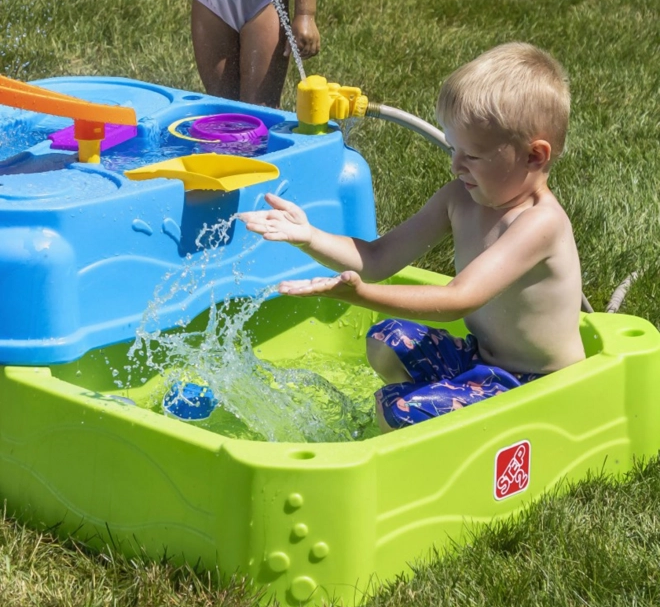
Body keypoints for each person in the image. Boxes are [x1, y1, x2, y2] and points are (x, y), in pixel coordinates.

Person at [238, 42, 586, 432]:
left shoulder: (540, 223)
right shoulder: (460, 199)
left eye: (471, 155)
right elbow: (378, 257)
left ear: (534, 157)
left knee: (397, 410)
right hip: (483, 360)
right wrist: (309, 236)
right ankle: (441, 415)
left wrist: (359, 296)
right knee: (385, 340)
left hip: (536, 384)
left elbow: (457, 300)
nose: (455, 165)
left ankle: (415, 424)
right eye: (454, 148)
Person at [191, 0, 320, 108]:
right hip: (211, 4)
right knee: (221, 104)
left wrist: (305, 14)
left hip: (264, 4)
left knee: (260, 106)